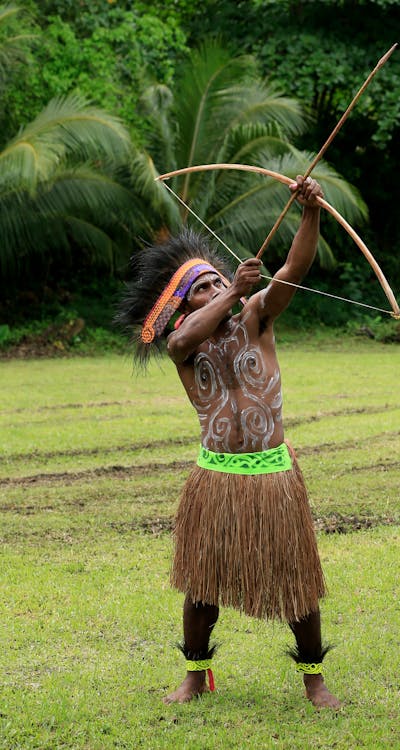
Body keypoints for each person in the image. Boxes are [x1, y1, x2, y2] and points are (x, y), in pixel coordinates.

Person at [117, 175, 341, 710]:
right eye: (203, 287)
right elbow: (180, 338)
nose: (217, 289)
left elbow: (292, 271)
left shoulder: (256, 317)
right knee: (201, 586)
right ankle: (195, 675)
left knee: (298, 584)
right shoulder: (184, 344)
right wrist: (233, 291)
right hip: (216, 477)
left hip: (273, 475)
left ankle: (314, 679)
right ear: (182, 304)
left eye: (219, 282)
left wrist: (309, 213)